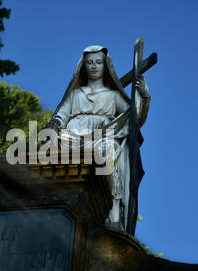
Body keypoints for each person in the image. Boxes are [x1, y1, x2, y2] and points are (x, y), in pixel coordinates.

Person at [46, 45, 151, 231]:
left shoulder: (113, 95)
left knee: (108, 148)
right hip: (73, 135)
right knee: (52, 147)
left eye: (98, 62)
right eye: (90, 62)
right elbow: (60, 116)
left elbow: (132, 118)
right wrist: (54, 126)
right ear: (84, 66)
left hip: (103, 136)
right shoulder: (76, 95)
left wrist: (143, 95)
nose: (94, 66)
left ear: (105, 66)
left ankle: (109, 210)